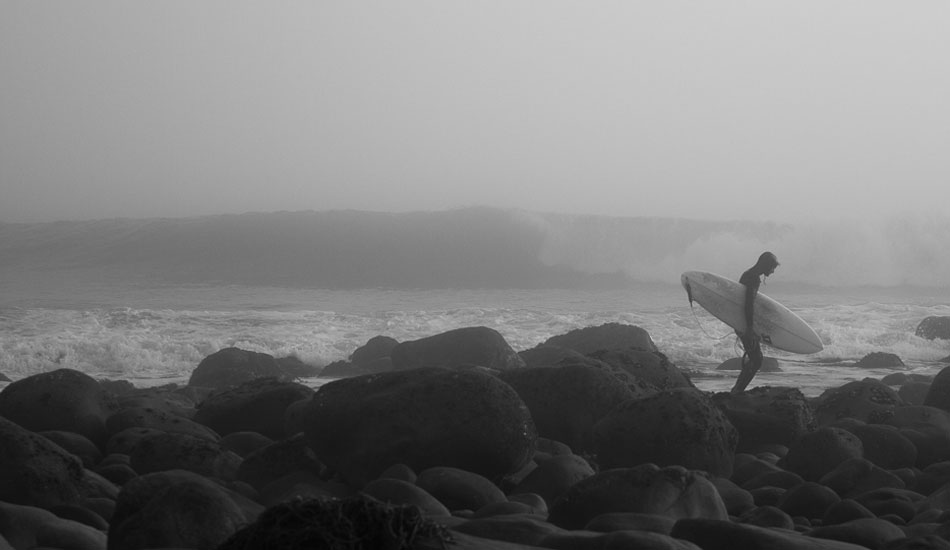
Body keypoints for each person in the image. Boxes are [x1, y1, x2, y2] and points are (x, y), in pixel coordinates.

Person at [731, 251, 780, 393]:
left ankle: (737, 390)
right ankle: (737, 391)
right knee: (757, 359)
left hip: (740, 321)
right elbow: (748, 304)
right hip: (744, 323)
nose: (773, 271)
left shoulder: (748, 274)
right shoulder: (753, 278)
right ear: (766, 265)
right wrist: (749, 328)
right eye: (772, 267)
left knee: (754, 357)